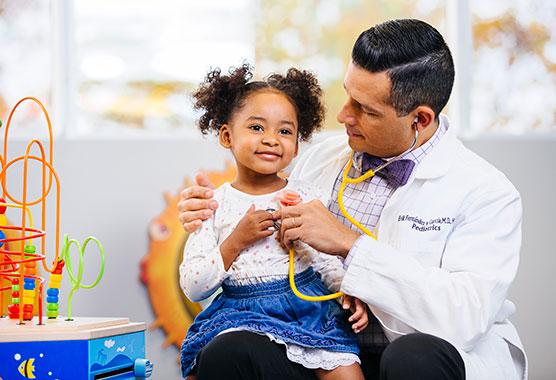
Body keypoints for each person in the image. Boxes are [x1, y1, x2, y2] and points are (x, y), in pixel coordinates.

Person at [178, 19, 527, 380]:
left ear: (419, 119)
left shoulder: (486, 192)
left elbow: (463, 319)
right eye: (347, 95)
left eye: (366, 109)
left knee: (414, 356)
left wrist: (349, 244)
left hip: (419, 357)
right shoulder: (321, 160)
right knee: (231, 352)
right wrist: (205, 211)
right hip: (324, 340)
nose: (344, 115)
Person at [179, 63, 370, 380]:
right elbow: (194, 287)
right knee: (209, 363)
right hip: (242, 313)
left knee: (346, 371)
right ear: (227, 135)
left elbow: (327, 261)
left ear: (296, 144)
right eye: (256, 128)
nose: (271, 139)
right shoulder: (212, 205)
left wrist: (348, 292)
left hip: (310, 310)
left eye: (284, 131)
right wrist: (236, 240)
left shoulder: (307, 197)